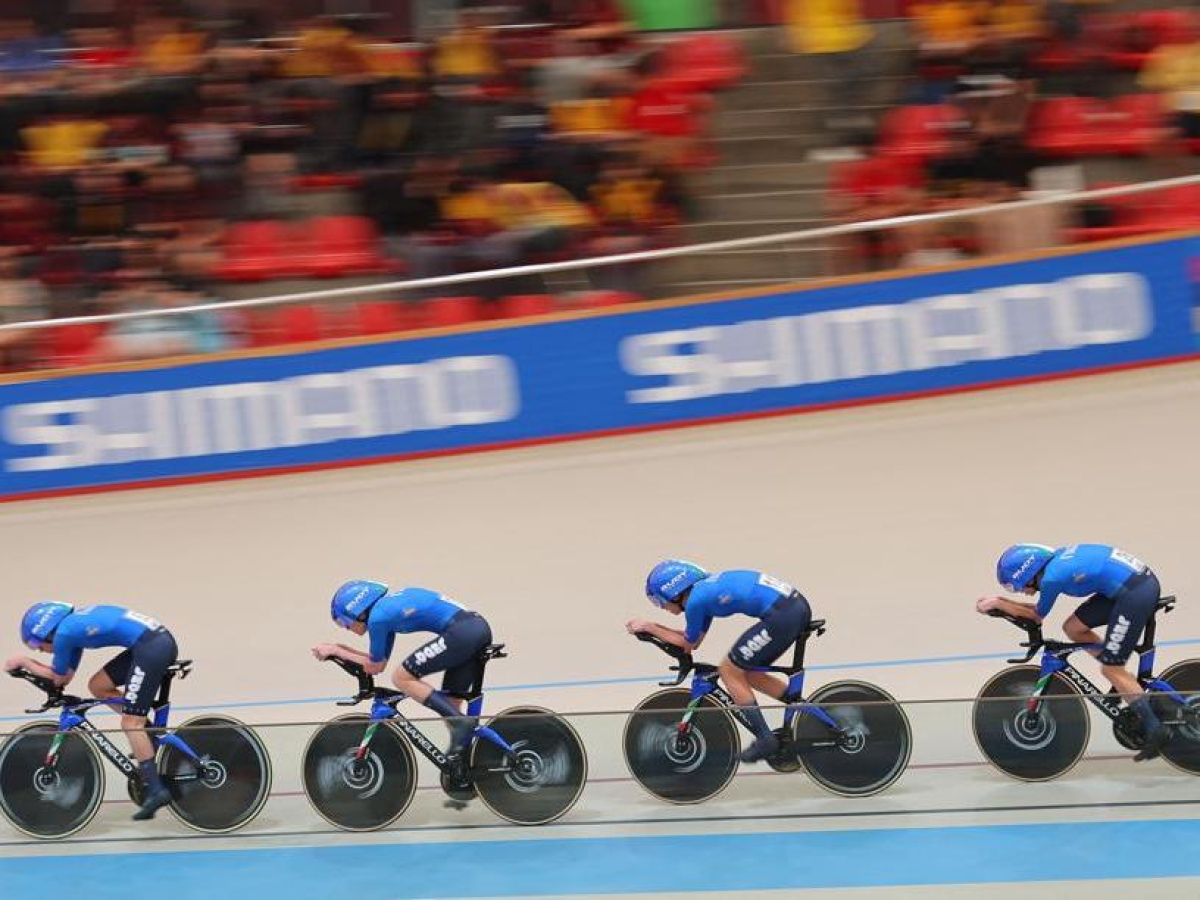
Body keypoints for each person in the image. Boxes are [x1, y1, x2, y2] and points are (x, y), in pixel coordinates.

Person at [977, 543, 1170, 760]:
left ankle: (1156, 729)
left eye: (1016, 585)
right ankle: (1122, 678)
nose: (1021, 590)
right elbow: (1034, 609)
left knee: (1110, 670)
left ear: (1028, 572)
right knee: (1073, 627)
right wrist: (1001, 602)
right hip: (1129, 585)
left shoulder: (1052, 578)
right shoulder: (1056, 563)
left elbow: (1035, 615)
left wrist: (998, 603)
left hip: (1134, 593)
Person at [625, 560, 814, 763]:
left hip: (782, 615)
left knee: (729, 671)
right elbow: (692, 642)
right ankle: (805, 709)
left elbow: (686, 643)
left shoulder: (697, 601)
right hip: (791, 608)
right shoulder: (702, 594)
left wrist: (650, 627)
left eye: (659, 601)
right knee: (745, 671)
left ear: (674, 591)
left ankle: (765, 739)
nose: (662, 607)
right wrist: (653, 628)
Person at [4, 602, 180, 819]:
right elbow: (65, 678)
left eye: (37, 645)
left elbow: (57, 678)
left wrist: (23, 661)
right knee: (98, 686)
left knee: (130, 723)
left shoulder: (65, 634)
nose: (40, 650)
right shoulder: (71, 631)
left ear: (47, 631)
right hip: (152, 642)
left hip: (151, 647)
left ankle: (156, 790)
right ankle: (148, 733)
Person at [312, 580, 493, 754]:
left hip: (463, 632)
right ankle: (462, 764)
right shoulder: (385, 612)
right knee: (450, 708)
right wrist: (339, 649)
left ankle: (463, 723)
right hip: (473, 629)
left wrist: (336, 650)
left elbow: (373, 666)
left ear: (357, 611)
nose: (345, 628)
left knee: (401, 677)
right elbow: (376, 663)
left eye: (344, 622)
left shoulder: (378, 619)